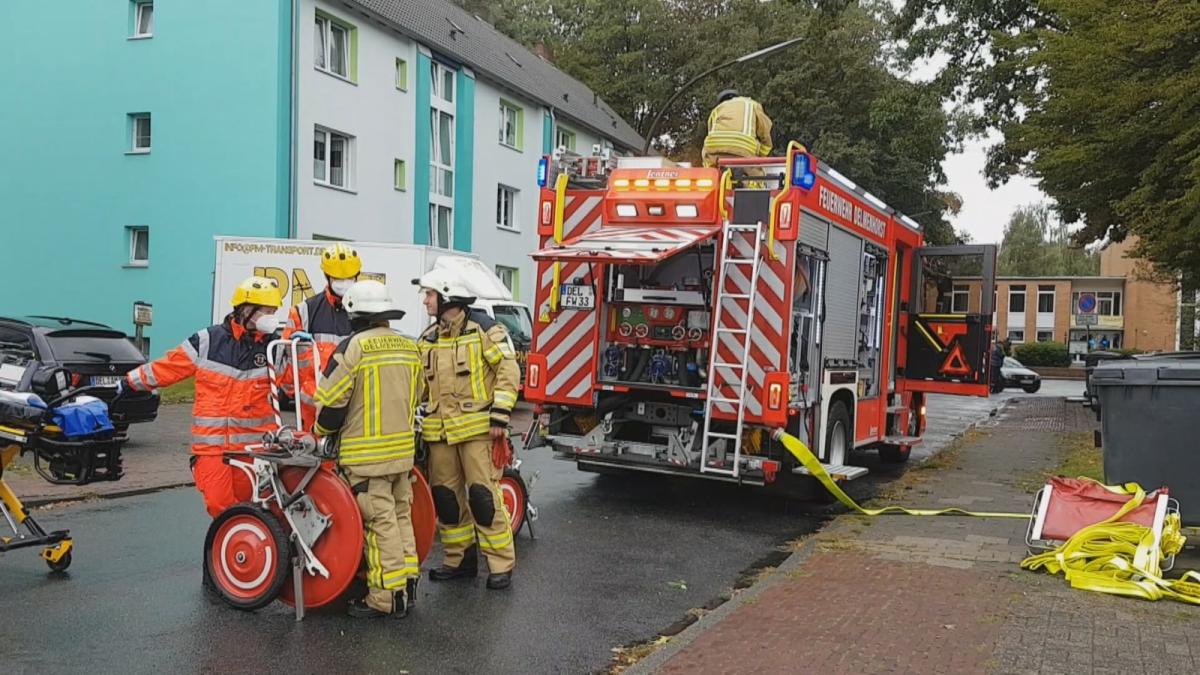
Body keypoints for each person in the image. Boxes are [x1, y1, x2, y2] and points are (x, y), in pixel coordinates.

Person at [122, 276, 283, 518]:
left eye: (273, 311)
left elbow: (299, 383)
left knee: (261, 510)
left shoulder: (276, 347)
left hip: (254, 449)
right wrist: (129, 382)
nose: (270, 316)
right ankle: (231, 551)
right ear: (245, 310)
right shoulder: (208, 341)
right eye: (265, 311)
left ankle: (257, 553)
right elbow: (169, 366)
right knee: (221, 507)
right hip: (213, 450)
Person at [313, 280, 423, 618]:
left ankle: (387, 598)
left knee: (380, 525)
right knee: (401, 517)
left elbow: (331, 404)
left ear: (354, 314)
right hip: (402, 454)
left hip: (366, 459)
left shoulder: (353, 348)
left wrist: (321, 431)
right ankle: (406, 585)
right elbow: (418, 396)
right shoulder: (409, 346)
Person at [413, 267, 520, 590]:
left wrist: (500, 416)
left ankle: (501, 564)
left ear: (448, 296)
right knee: (446, 499)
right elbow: (419, 387)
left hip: (477, 434)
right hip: (440, 434)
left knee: (483, 498)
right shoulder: (428, 338)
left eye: (429, 295)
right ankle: (459, 560)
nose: (425, 302)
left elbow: (508, 370)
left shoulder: (485, 330)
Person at [281, 242, 362, 425]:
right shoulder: (304, 311)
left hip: (356, 408)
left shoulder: (368, 311)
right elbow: (287, 367)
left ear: (357, 276)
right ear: (327, 277)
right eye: (338, 278)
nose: (344, 283)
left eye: (349, 278)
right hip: (315, 412)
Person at [701, 89, 774, 169]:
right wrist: (761, 156)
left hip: (714, 148)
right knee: (756, 175)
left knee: (709, 163)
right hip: (743, 150)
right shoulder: (752, 104)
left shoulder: (717, 109)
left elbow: (710, 131)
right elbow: (765, 131)